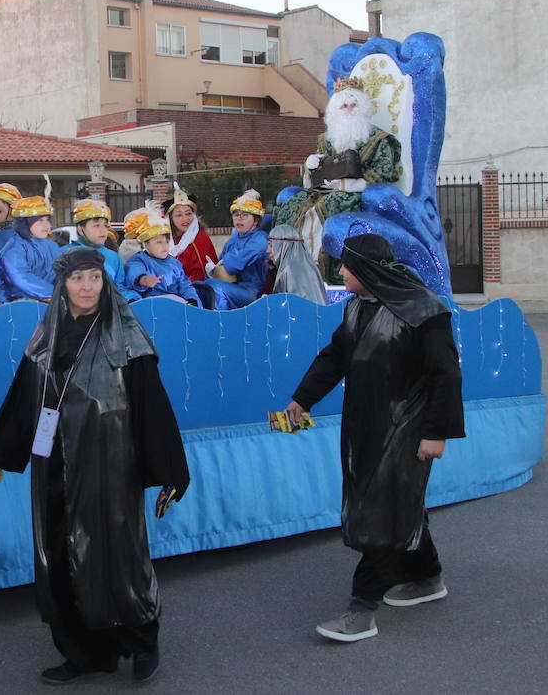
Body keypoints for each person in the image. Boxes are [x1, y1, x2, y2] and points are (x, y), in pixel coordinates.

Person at [0, 248, 190, 685]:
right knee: (60, 552)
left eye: (94, 277)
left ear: (105, 281)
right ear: (62, 286)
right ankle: (82, 651)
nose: (87, 287)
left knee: (117, 551)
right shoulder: (45, 336)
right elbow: (23, 398)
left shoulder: (126, 336)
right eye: (78, 279)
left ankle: (142, 640)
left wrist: (169, 468)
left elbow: (152, 406)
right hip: (53, 462)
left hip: (110, 461)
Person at [283, 234, 463, 644]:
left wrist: (437, 433)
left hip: (409, 427)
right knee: (401, 504)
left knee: (384, 511)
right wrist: (303, 398)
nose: (341, 272)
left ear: (367, 269)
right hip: (368, 424)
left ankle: (361, 608)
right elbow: (335, 357)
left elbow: (446, 375)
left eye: (346, 266)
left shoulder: (425, 311)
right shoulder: (357, 307)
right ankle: (427, 577)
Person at [291, 77, 403, 286]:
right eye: (344, 105)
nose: (349, 109)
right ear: (336, 109)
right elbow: (318, 176)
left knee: (329, 205)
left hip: (360, 196)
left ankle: (321, 269)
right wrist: (311, 167)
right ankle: (295, 268)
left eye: (354, 105)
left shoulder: (379, 139)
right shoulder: (325, 140)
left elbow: (384, 173)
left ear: (363, 108)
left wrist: (348, 185)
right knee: (293, 203)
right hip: (324, 191)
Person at [194, 190, 269, 310]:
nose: (239, 219)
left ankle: (222, 322)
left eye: (245, 215)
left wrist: (222, 265)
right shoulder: (232, 241)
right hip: (232, 287)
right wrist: (213, 271)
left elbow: (235, 264)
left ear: (255, 220)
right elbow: (220, 269)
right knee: (201, 287)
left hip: (252, 293)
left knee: (215, 287)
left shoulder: (260, 239)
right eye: (236, 215)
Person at [120, 206, 199, 305]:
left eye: (167, 242)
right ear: (146, 244)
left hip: (175, 304)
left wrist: (192, 299)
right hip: (151, 305)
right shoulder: (139, 260)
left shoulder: (174, 263)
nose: (164, 246)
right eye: (159, 242)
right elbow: (134, 272)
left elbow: (185, 285)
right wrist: (144, 279)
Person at [68, 198, 138, 302]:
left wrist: (133, 299)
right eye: (96, 225)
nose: (102, 230)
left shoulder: (113, 257)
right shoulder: (65, 255)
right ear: (80, 229)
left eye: (105, 226)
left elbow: (120, 288)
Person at [0, 194, 63, 302]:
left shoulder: (51, 246)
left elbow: (62, 273)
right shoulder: (14, 248)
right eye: (40, 220)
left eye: (47, 220)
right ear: (25, 223)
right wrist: (53, 293)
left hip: (51, 302)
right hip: (18, 306)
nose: (46, 225)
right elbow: (21, 277)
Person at [164, 186, 218, 283]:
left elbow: (200, 277)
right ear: (170, 218)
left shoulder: (199, 239)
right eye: (179, 215)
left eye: (188, 213)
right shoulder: (168, 240)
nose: (185, 219)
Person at [266, 223, 327, 304]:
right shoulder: (310, 266)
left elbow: (294, 308)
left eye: (271, 245)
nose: (268, 250)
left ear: (282, 245)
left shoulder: (290, 271)